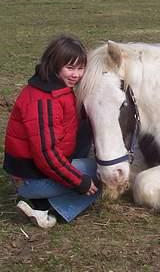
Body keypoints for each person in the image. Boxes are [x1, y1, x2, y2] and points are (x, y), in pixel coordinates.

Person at [3, 34, 99, 228]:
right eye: (70, 68)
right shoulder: (44, 100)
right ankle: (48, 207)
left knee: (86, 127)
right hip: (31, 180)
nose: (76, 75)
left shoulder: (57, 88)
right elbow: (46, 156)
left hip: (37, 171)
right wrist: (80, 181)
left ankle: (41, 202)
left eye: (80, 68)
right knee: (105, 173)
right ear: (54, 65)